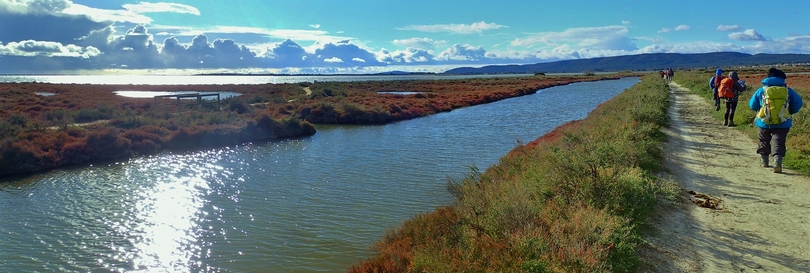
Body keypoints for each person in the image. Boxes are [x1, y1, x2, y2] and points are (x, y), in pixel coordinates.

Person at [748, 68, 803, 173]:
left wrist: (760, 110)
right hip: (783, 122)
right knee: (778, 141)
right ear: (782, 79)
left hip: (763, 122)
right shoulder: (788, 91)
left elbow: (752, 105)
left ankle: (764, 161)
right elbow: (798, 104)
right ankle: (777, 161)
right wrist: (789, 112)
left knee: (763, 140)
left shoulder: (762, 90)